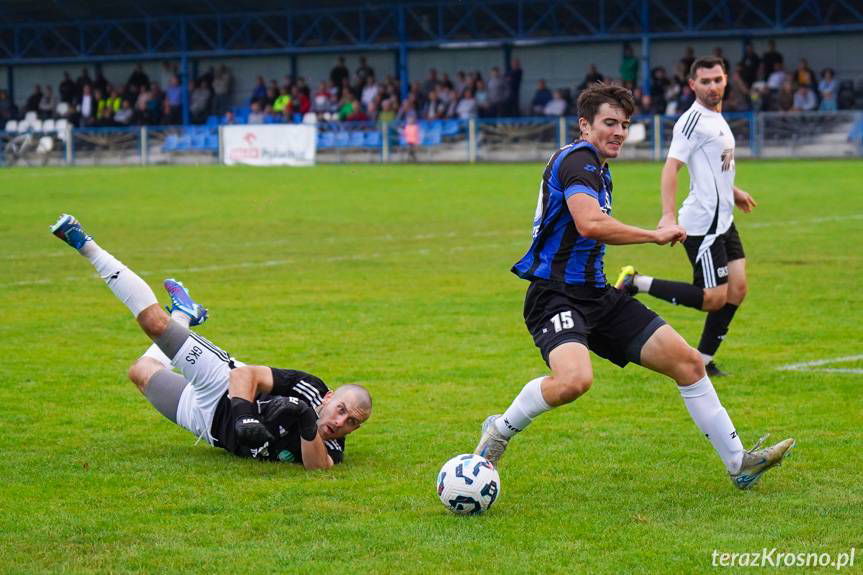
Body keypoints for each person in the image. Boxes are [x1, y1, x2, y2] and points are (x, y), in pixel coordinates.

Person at [473, 82, 793, 490]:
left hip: (598, 294)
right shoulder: (579, 160)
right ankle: (499, 430)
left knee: (690, 364)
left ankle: (739, 463)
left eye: (624, 124)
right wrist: (653, 234)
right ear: (584, 125)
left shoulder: (598, 170)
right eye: (610, 123)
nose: (619, 132)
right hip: (554, 294)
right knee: (574, 381)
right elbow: (590, 223)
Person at [49, 215, 371, 469]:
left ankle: (184, 315)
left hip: (207, 423)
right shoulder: (308, 387)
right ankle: (85, 243)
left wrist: (304, 418)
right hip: (221, 384)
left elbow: (318, 468)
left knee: (140, 371)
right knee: (153, 324)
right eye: (341, 409)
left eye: (351, 423)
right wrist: (245, 414)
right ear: (328, 398)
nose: (341, 422)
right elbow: (244, 376)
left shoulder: (331, 445)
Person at [614, 56, 756, 378]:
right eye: (705, 81)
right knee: (714, 298)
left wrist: (735, 191)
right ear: (692, 84)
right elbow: (671, 167)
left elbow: (714, 167)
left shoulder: (718, 118)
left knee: (738, 288)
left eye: (717, 79)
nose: (712, 86)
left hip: (723, 219)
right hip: (701, 224)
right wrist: (667, 215)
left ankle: (704, 360)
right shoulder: (691, 121)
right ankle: (636, 282)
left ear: (726, 80)